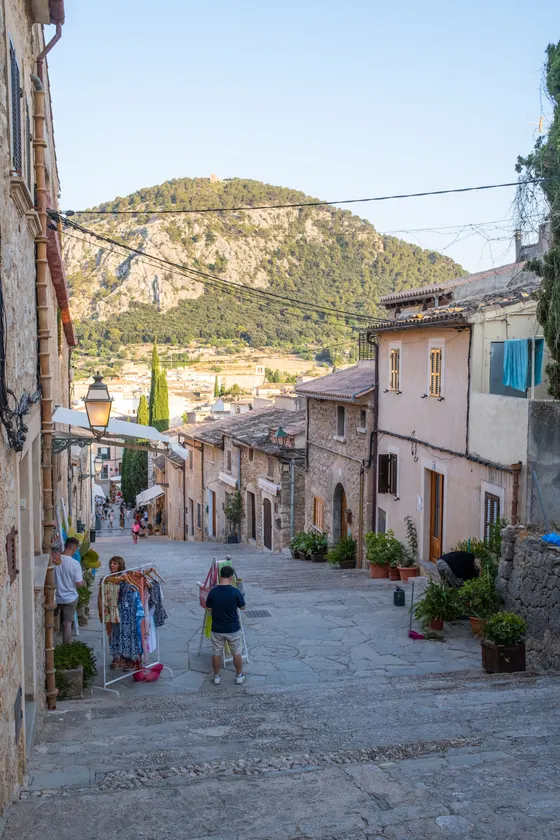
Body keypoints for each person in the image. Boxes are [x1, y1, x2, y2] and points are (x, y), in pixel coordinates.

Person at [205, 565, 246, 685]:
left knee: (216, 653)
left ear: (220, 576)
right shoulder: (235, 592)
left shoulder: (213, 592)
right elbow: (243, 607)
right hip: (233, 628)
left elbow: (208, 606)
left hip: (217, 628)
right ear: (231, 577)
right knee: (236, 653)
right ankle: (239, 675)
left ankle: (216, 677)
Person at [54, 537, 85, 643]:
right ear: (73, 548)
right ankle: (66, 648)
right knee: (67, 624)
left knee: (51, 620)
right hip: (69, 598)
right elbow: (79, 583)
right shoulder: (75, 564)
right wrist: (82, 577)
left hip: (55, 597)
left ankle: (52, 642)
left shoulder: (54, 559)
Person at [97, 556, 126, 669]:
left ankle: (123, 656)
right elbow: (100, 596)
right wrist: (100, 611)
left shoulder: (124, 579)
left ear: (120, 565)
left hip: (120, 610)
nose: (112, 565)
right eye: (111, 563)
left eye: (115, 563)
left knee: (121, 633)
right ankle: (115, 656)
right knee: (111, 634)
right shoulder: (105, 579)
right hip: (108, 610)